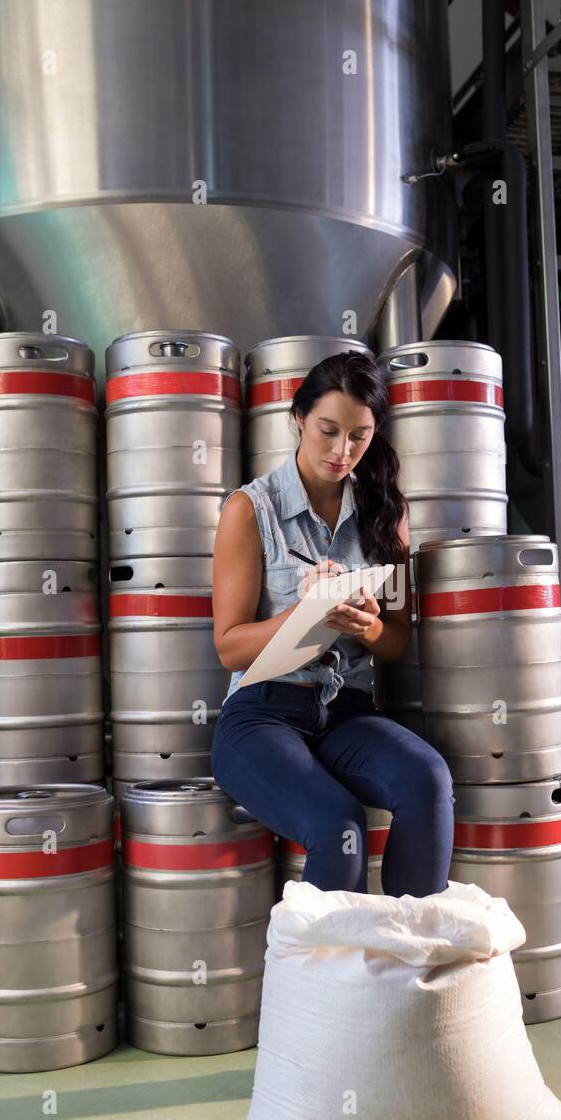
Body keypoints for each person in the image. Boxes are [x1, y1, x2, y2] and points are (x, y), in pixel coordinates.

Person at [210, 349, 455, 896]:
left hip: (345, 714)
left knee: (428, 779)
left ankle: (406, 962)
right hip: (261, 716)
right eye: (328, 430)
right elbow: (229, 648)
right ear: (298, 417)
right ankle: (325, 983)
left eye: (359, 436)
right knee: (337, 825)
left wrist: (364, 625)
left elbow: (393, 642)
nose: (342, 451)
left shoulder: (385, 511)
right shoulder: (251, 510)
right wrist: (305, 614)